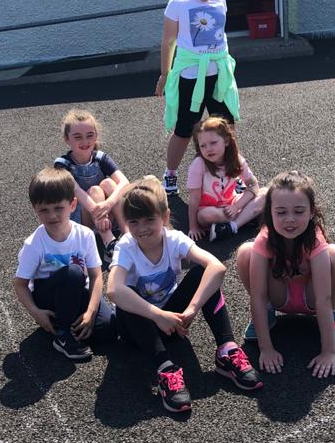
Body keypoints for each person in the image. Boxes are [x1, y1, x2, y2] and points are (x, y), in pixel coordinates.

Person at [107, 177, 261, 412]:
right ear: (126, 223)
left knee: (203, 273)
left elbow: (217, 267)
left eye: (149, 219)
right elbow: (113, 289)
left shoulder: (174, 239)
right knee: (128, 295)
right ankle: (165, 368)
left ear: (165, 217)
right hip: (138, 328)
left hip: (172, 320)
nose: (142, 228)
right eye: (134, 222)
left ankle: (226, 349)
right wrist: (158, 315)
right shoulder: (126, 246)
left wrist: (192, 308)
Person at [236, 171, 335, 379]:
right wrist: (265, 349)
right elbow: (258, 296)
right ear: (270, 212)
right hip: (279, 297)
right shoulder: (265, 238)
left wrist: (328, 352)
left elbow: (323, 298)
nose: (290, 219)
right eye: (281, 212)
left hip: (312, 300)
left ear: (311, 212)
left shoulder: (314, 239)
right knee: (246, 252)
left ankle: (334, 316)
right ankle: (267, 315)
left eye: (298, 211)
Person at [155, 0, 240, 196]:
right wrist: (165, 74)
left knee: (226, 127)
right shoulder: (178, 3)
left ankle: (233, 173)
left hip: (219, 74)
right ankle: (170, 173)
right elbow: (168, 41)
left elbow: (220, 35)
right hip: (191, 76)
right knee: (184, 129)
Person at [14, 167, 115, 361]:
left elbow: (96, 276)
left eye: (58, 208)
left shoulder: (85, 235)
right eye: (44, 210)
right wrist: (36, 312)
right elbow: (20, 284)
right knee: (74, 273)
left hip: (77, 291)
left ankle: (69, 324)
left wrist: (91, 312)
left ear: (73, 204)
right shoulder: (34, 243)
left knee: (108, 329)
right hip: (48, 298)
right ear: (35, 209)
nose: (52, 216)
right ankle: (63, 334)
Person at [54, 109, 129, 264]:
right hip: (82, 220)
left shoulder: (100, 157)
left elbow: (125, 182)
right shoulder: (63, 164)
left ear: (96, 136)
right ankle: (109, 242)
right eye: (78, 137)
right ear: (67, 139)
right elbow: (76, 190)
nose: (85, 141)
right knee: (95, 190)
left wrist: (107, 204)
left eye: (89, 135)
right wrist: (98, 210)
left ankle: (128, 235)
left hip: (105, 214)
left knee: (108, 183)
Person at [187, 116, 267, 243]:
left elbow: (253, 185)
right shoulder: (199, 164)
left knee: (266, 193)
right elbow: (194, 198)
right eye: (203, 146)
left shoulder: (236, 159)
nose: (208, 149)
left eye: (213, 143)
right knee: (206, 215)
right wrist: (193, 227)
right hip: (209, 209)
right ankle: (247, 217)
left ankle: (232, 226)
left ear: (226, 141)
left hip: (231, 205)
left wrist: (236, 206)